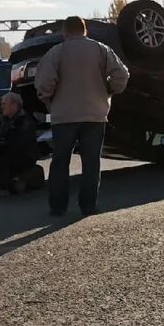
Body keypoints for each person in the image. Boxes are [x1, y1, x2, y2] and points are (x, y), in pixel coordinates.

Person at [34, 15, 130, 217]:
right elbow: (122, 75)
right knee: (91, 162)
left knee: (60, 161)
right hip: (95, 114)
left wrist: (49, 100)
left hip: (64, 115)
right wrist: (109, 90)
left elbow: (44, 83)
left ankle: (58, 206)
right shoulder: (101, 49)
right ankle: (88, 206)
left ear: (65, 32)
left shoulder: (56, 53)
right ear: (85, 30)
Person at [0, 92, 43, 194]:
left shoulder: (25, 121)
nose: (2, 107)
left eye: (4, 104)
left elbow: (16, 143)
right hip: (2, 154)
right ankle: (2, 182)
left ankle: (10, 182)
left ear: (14, 105)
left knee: (2, 168)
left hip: (21, 157)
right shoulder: (2, 120)